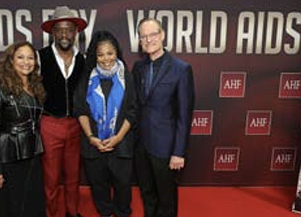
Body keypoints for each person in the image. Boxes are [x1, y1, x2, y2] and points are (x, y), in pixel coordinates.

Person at [132, 18, 195, 217]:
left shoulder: (181, 69)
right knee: (147, 194)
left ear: (162, 35)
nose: (148, 39)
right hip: (141, 146)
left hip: (166, 148)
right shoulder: (138, 67)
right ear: (140, 40)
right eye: (143, 36)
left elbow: (185, 114)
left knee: (166, 200)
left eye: (152, 34)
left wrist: (179, 152)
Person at [73, 30, 137, 217]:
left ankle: (122, 213)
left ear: (117, 52)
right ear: (94, 55)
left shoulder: (128, 77)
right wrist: (91, 137)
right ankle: (105, 213)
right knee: (99, 187)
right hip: (93, 145)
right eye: (100, 54)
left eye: (110, 53)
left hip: (121, 143)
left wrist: (117, 138)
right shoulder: (87, 78)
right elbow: (80, 110)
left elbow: (133, 112)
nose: (106, 58)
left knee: (123, 187)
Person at [0, 41, 46, 217]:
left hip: (32, 154)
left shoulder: (36, 87)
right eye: (20, 57)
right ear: (11, 60)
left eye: (30, 57)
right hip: (8, 158)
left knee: (31, 204)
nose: (26, 61)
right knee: (9, 206)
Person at [39, 6, 87, 217]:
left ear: (76, 32)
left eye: (69, 29)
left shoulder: (84, 60)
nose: (65, 34)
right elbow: (17, 80)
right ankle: (51, 213)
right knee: (51, 177)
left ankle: (72, 212)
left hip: (76, 125)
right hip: (50, 124)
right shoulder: (39, 57)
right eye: (60, 29)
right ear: (53, 32)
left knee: (73, 175)